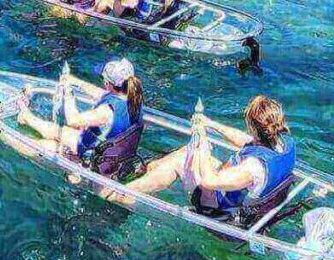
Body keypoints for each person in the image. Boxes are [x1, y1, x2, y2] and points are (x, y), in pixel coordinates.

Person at [125, 95, 295, 218]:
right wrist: (210, 124)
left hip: (217, 206)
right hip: (236, 191)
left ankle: (124, 192)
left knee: (179, 160)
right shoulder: (284, 141)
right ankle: (147, 171)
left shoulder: (252, 167)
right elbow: (245, 141)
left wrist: (204, 148)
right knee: (185, 152)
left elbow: (209, 182)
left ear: (252, 126)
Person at [16, 57, 144, 161]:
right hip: (112, 149)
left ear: (107, 84)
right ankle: (26, 117)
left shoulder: (106, 111)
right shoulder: (134, 98)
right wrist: (75, 81)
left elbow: (73, 120)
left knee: (46, 143)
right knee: (56, 130)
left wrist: (68, 92)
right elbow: (100, 93)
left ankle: (23, 118)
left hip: (92, 152)